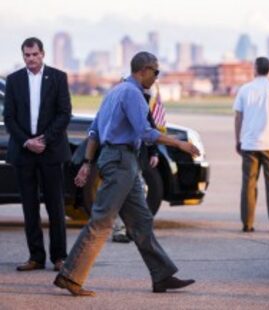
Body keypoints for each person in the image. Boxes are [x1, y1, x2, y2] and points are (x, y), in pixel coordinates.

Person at [53, 51, 199, 296]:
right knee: (102, 220)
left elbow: (93, 132)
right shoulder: (132, 94)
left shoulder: (115, 92)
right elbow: (146, 132)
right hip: (121, 160)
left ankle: (161, 275)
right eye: (156, 72)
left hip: (120, 160)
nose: (157, 77)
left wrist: (89, 163)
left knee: (141, 221)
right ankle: (70, 276)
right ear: (143, 70)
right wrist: (180, 144)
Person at [3, 37, 71, 272]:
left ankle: (60, 257)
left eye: (34, 54)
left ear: (43, 54)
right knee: (29, 207)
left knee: (55, 206)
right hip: (24, 153)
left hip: (50, 151)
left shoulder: (58, 78)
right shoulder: (13, 80)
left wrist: (44, 139)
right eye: (27, 55)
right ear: (23, 56)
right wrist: (27, 141)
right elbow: (9, 117)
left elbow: (64, 113)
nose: (31, 59)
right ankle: (36, 257)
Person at [233, 56, 269, 233]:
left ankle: (247, 223)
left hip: (250, 144)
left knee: (249, 184)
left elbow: (238, 117)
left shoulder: (245, 90)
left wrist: (238, 140)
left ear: (255, 69)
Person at [111, 88, 161, 243]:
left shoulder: (141, 100)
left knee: (139, 191)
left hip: (137, 157)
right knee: (121, 192)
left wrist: (154, 152)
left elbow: (150, 127)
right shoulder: (121, 103)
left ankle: (133, 228)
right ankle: (120, 229)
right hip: (124, 156)